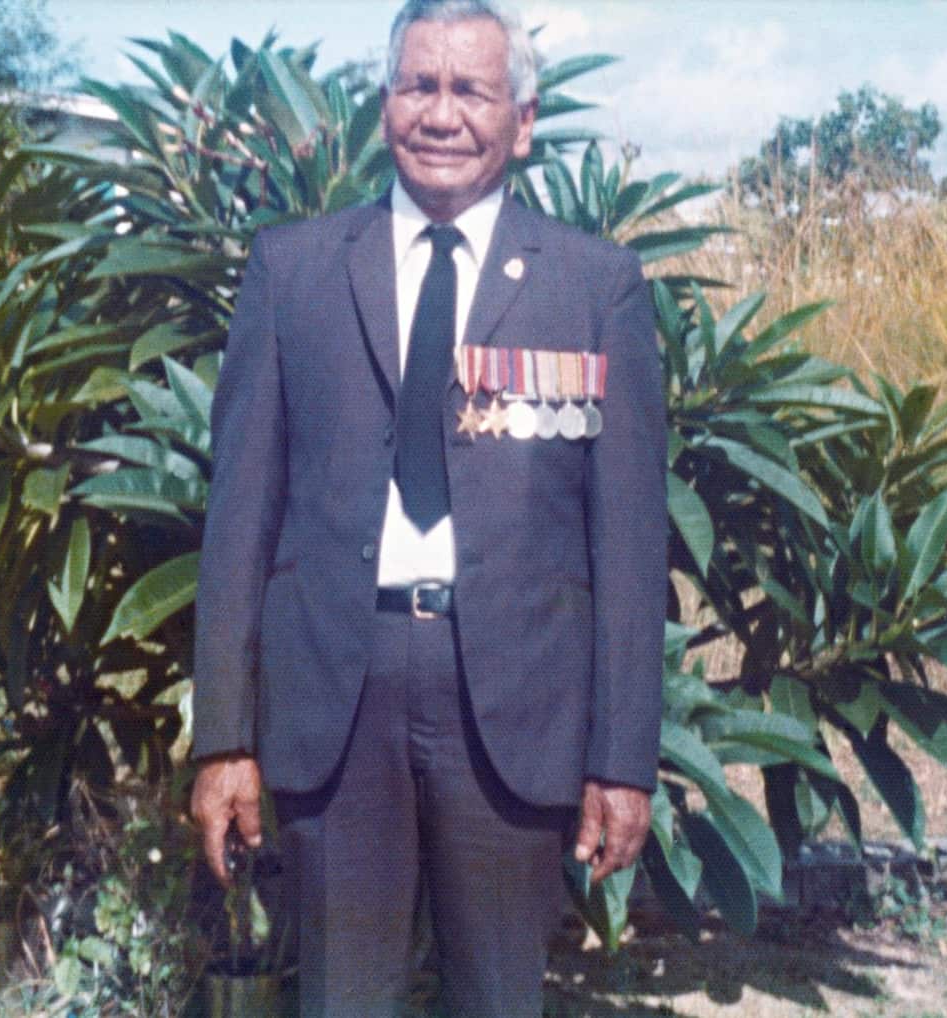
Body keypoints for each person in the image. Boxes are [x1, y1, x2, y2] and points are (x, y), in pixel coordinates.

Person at [187, 1, 667, 1014]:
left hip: (513, 702)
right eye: (418, 86)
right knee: (340, 999)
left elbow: (625, 545)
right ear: (384, 103)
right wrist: (224, 735)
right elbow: (239, 518)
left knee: (497, 999)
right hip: (338, 692)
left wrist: (621, 757)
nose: (439, 114)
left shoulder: (596, 288)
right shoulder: (294, 270)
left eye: (470, 90)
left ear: (522, 121)